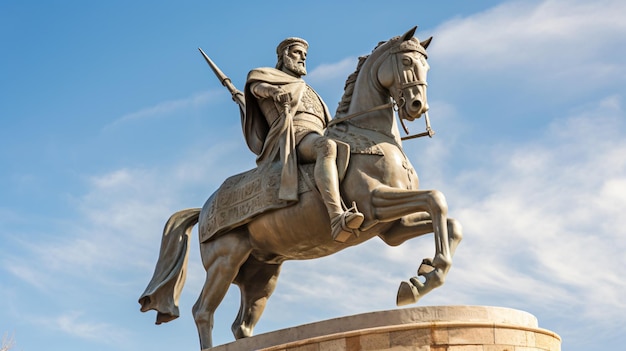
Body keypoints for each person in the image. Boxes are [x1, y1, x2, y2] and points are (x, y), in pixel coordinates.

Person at [243, 37, 363, 242]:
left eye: (304, 55)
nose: (302, 58)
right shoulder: (266, 76)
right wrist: (273, 91)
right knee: (326, 147)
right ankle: (336, 216)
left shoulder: (309, 90)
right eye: (297, 53)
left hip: (317, 133)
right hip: (292, 135)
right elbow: (257, 88)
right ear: (284, 56)